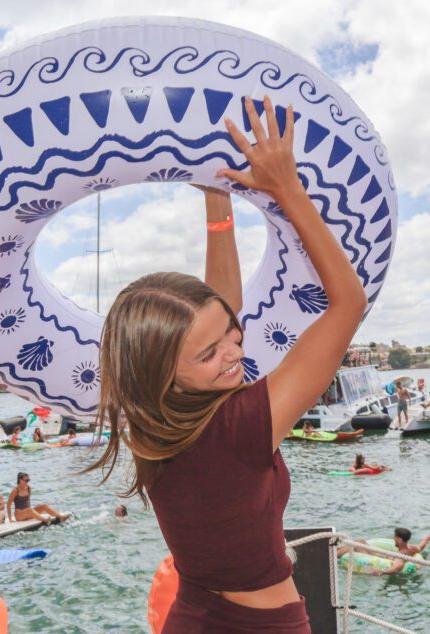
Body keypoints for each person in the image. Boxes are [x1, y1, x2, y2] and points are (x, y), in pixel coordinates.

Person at [87, 96, 367, 633]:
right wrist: (285, 189)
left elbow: (210, 318)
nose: (234, 352)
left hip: (190, 616)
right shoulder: (238, 426)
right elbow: (348, 304)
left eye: (231, 334)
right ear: (165, 372)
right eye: (210, 353)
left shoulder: (149, 420)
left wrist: (219, 203)